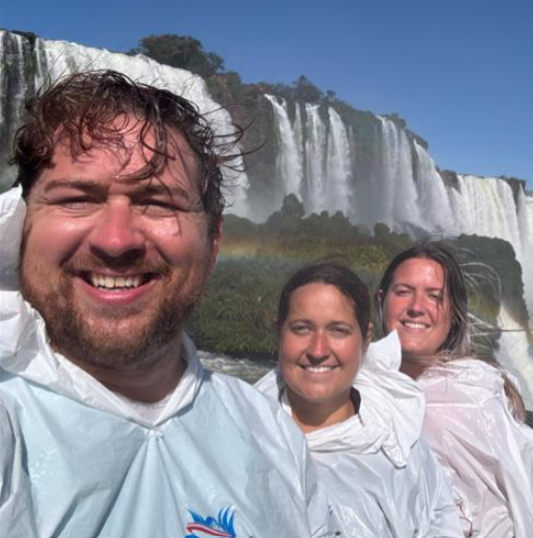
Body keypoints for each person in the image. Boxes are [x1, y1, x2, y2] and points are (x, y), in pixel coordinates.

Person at [0, 71, 334, 537]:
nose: (116, 240)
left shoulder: (272, 433)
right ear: (17, 222)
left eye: (158, 203)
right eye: (77, 199)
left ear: (214, 241)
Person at [255, 262, 463, 538]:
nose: (318, 350)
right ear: (278, 333)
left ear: (365, 340)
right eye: (302, 329)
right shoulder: (239, 434)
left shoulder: (400, 446)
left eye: (338, 330)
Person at [377, 241, 533, 538]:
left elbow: (511, 515)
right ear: (382, 299)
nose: (416, 307)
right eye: (403, 292)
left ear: (453, 314)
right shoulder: (354, 386)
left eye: (434, 296)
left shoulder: (476, 400)